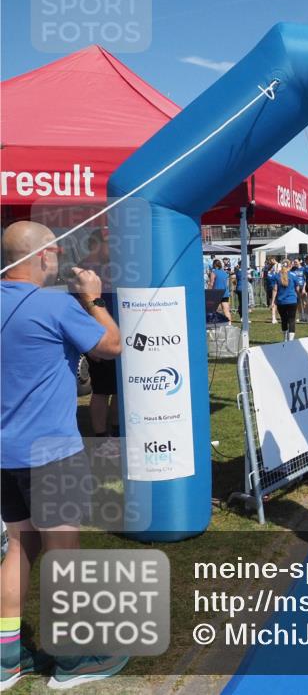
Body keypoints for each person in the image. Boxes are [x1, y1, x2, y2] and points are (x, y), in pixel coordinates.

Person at [1, 222, 128, 688]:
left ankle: (6, 659)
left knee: (19, 548)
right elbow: (112, 346)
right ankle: (75, 660)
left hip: (6, 453)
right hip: (51, 451)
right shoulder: (56, 304)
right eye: (55, 253)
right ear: (44, 257)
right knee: (63, 553)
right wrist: (92, 299)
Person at [77, 229, 119, 448]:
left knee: (120, 388)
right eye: (111, 241)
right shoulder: (82, 272)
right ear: (97, 243)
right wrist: (90, 346)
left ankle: (117, 433)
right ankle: (102, 438)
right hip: (98, 340)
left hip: (118, 336)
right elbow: (77, 310)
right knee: (102, 390)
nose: (116, 246)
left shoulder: (113, 268)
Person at [273, 260, 303, 341]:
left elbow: (275, 289)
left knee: (284, 319)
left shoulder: (277, 276)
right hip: (292, 301)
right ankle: (291, 339)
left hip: (281, 302)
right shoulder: (293, 275)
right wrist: (299, 297)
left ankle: (285, 338)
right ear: (289, 266)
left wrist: (273, 301)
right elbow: (297, 288)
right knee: (292, 320)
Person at [209, 258, 231, 322]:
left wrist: (209, 292)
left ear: (214, 265)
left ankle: (214, 324)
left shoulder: (213, 272)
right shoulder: (224, 273)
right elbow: (226, 284)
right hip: (225, 293)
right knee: (226, 310)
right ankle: (229, 324)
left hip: (216, 293)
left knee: (213, 310)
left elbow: (211, 283)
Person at [265, 258, 279, 324]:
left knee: (275, 303)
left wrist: (275, 263)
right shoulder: (269, 271)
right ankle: (273, 318)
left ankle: (275, 317)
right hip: (272, 288)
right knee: (273, 303)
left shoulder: (276, 267)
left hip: (273, 288)